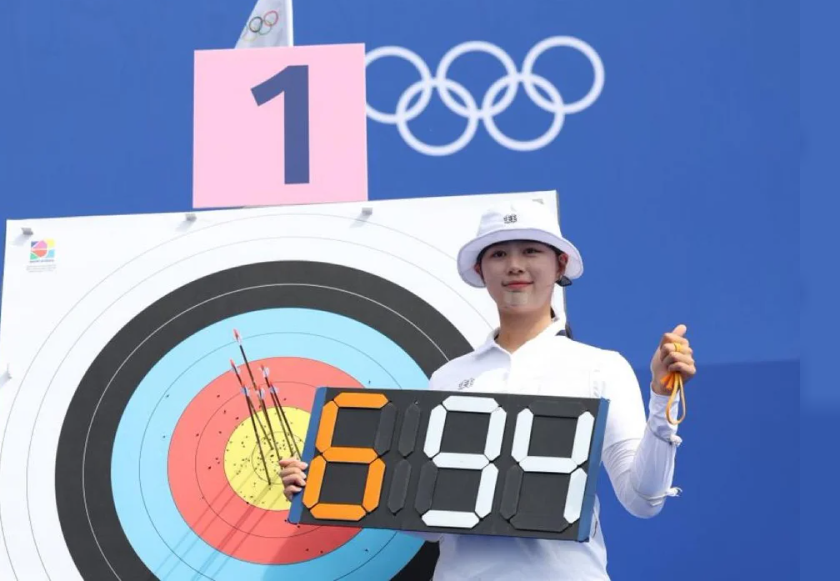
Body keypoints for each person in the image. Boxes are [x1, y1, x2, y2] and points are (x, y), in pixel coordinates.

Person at [278, 200, 696, 580]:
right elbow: (430, 528)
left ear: (560, 264)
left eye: (530, 250)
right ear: (480, 271)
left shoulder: (601, 366)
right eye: (498, 254)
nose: (514, 265)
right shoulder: (447, 377)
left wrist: (661, 400)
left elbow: (645, 500)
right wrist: (327, 482)